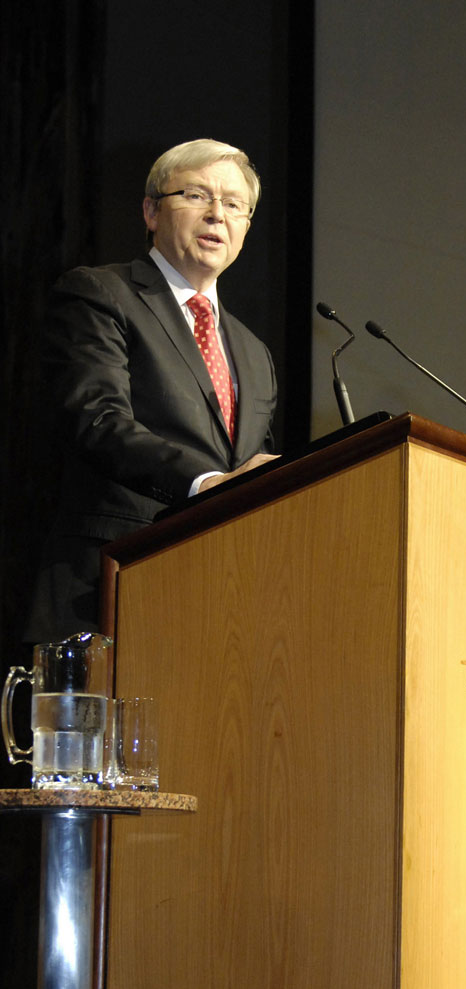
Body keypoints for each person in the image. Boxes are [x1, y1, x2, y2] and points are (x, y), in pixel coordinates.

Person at [26, 138, 279, 641]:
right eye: (197, 196)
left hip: (218, 605)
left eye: (234, 205)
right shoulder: (100, 293)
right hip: (107, 591)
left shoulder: (255, 353)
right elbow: (97, 420)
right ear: (150, 211)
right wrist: (205, 483)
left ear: (247, 226)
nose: (217, 215)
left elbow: (253, 469)